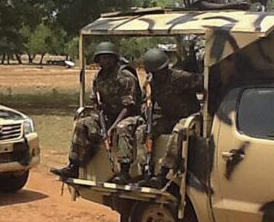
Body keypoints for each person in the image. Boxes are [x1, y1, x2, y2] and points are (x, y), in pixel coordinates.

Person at [51, 42, 141, 184]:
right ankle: (74, 166)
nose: (106, 61)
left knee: (122, 128)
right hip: (107, 115)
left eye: (109, 58)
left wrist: (112, 128)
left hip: (128, 115)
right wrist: (100, 118)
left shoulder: (125, 76)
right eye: (103, 58)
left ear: (115, 58)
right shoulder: (99, 77)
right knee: (82, 123)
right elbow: (96, 102)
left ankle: (124, 172)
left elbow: (129, 106)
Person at [139, 47, 204, 188]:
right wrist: (146, 108)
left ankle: (164, 172)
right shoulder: (151, 83)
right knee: (143, 131)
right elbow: (145, 101)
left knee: (179, 131)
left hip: (189, 118)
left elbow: (204, 83)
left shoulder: (179, 77)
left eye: (163, 70)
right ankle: (145, 169)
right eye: (158, 72)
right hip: (169, 117)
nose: (161, 74)